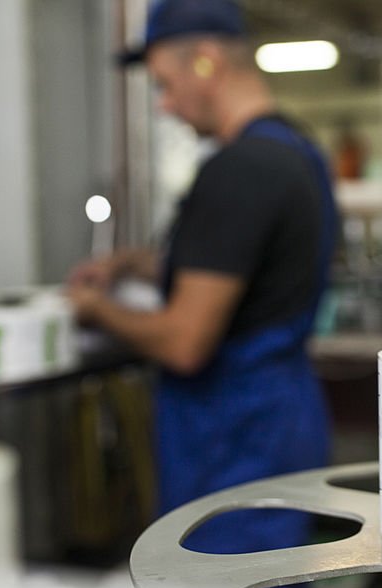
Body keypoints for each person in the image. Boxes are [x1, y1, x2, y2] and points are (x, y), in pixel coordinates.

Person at [67, 0, 337, 554]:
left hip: (232, 439)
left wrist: (94, 309)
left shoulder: (238, 171)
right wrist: (136, 263)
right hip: (281, 418)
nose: (164, 106)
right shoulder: (298, 152)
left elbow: (185, 342)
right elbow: (248, 273)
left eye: (166, 84)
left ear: (208, 61)